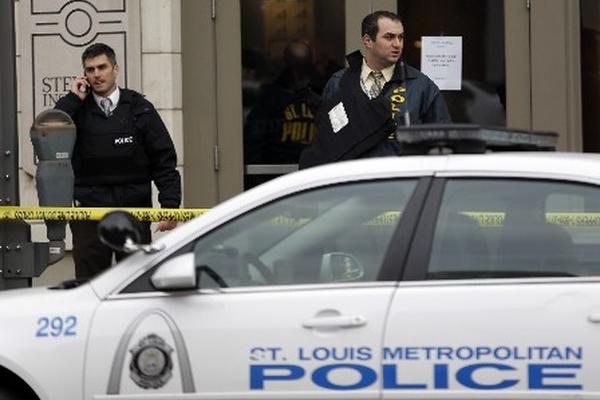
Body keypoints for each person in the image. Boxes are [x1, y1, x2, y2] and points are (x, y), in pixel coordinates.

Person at [55, 43, 181, 280]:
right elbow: (49, 132)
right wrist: (73, 99)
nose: (96, 74)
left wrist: (170, 205)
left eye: (102, 67)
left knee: (134, 283)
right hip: (89, 212)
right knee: (88, 286)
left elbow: (163, 160)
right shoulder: (76, 109)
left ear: (116, 68)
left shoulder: (139, 108)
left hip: (133, 208)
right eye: (90, 69)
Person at [299, 10, 451, 169]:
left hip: (401, 184)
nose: (397, 44)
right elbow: (325, 140)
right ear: (368, 41)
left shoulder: (420, 85)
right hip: (350, 182)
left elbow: (441, 143)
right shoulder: (339, 82)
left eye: (401, 37)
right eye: (389, 37)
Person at [244, 40, 322, 187]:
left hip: (304, 180)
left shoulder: (319, 97)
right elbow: (254, 140)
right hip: (277, 179)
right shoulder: (270, 100)